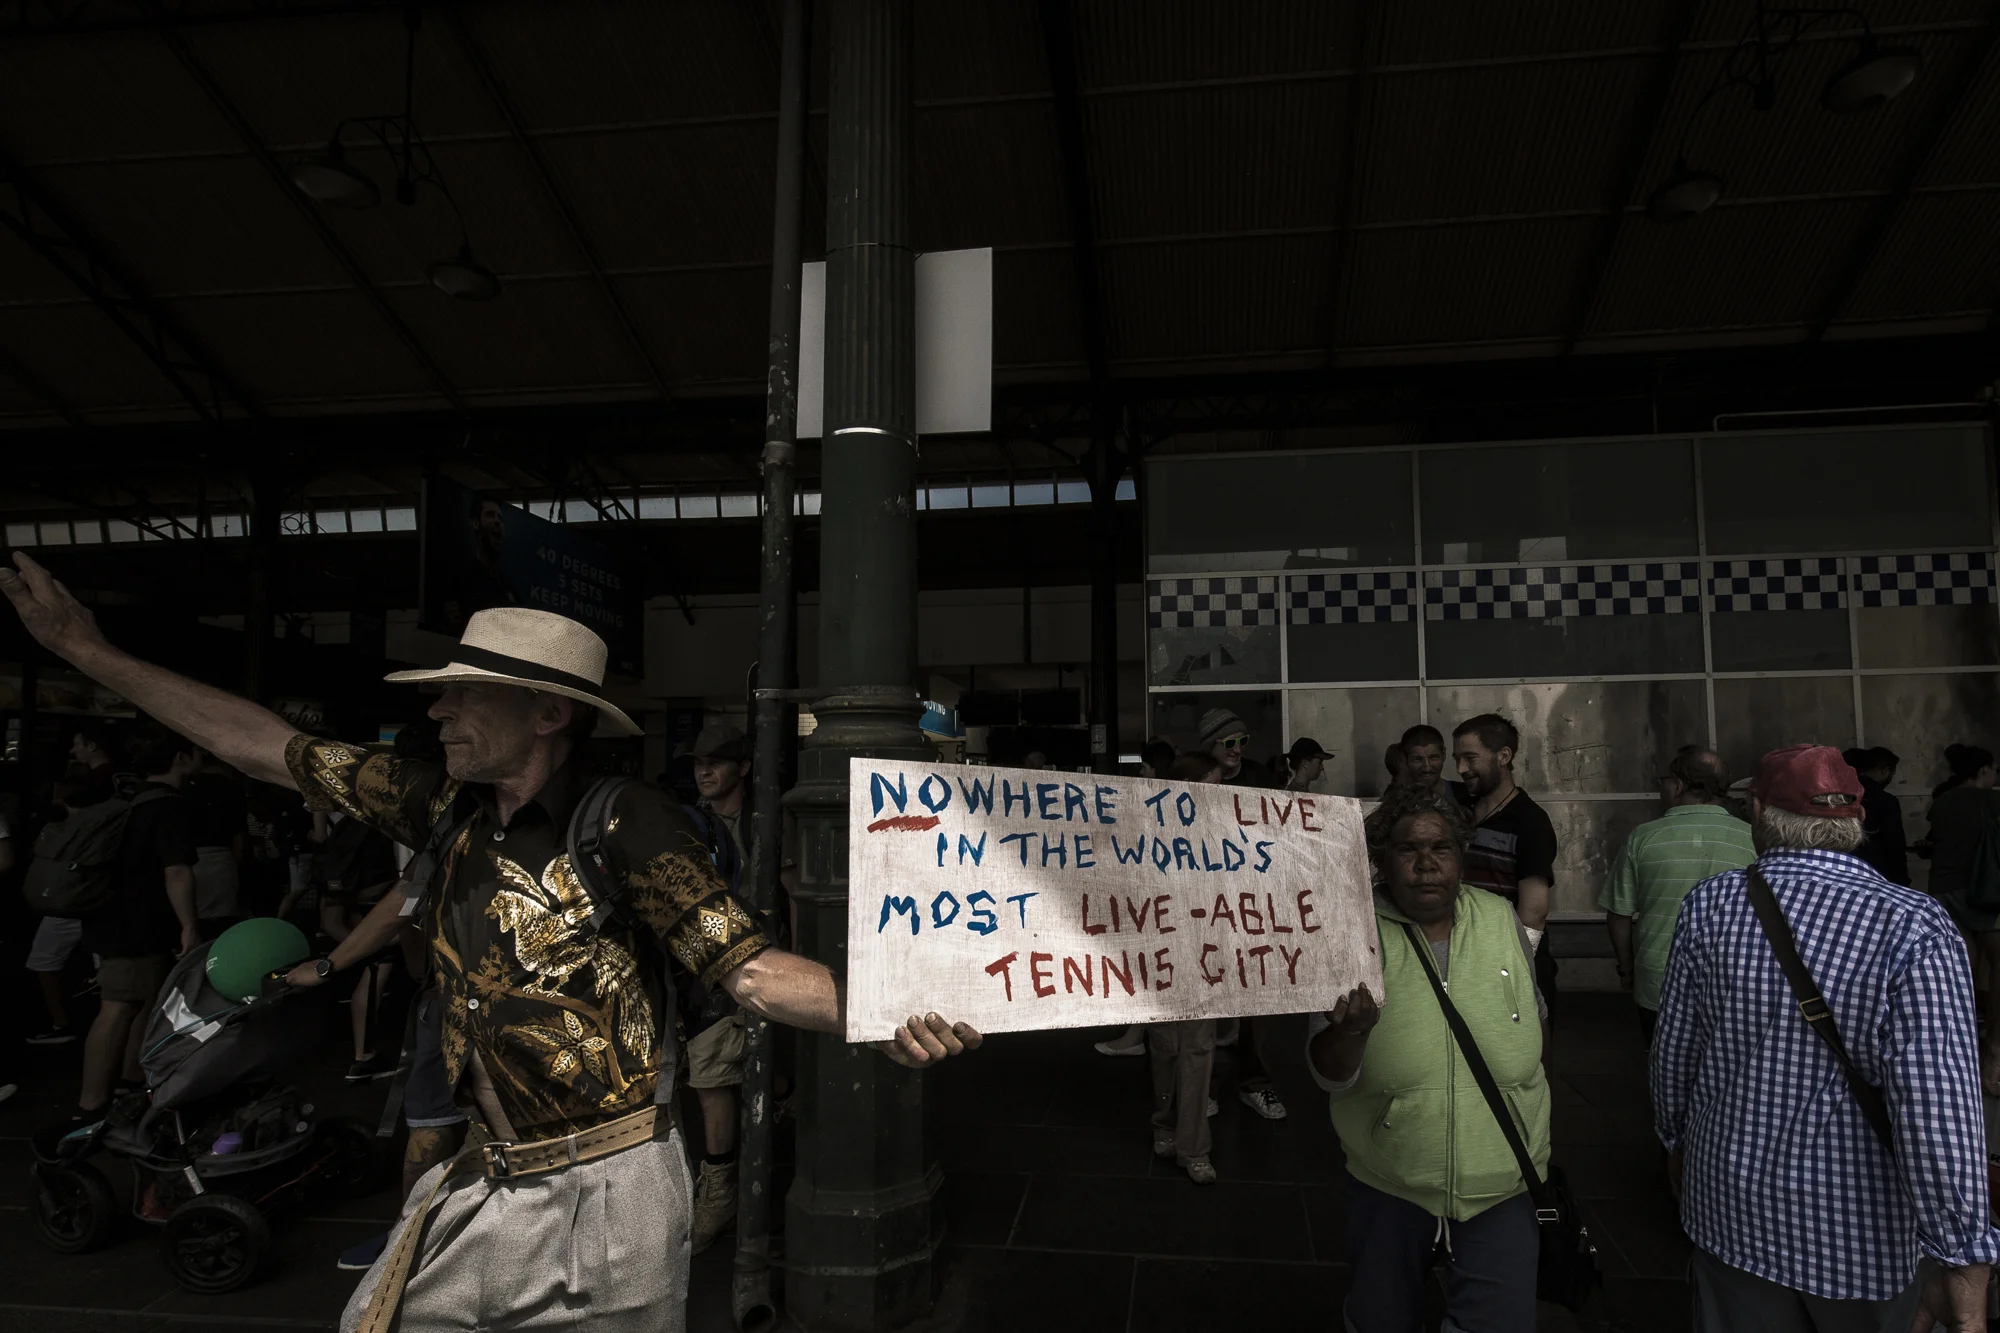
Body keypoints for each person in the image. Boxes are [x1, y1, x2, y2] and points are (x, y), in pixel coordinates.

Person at [0, 554, 978, 1333]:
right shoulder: (443, 806)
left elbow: (748, 966)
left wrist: (878, 1009)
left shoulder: (624, 820)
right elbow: (264, 746)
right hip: (487, 1171)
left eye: (464, 695)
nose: (437, 712)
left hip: (613, 1191)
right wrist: (88, 652)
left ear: (548, 713)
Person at [1653, 744, 1995, 1331]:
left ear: (1757, 812)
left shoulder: (1708, 905)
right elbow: (1936, 1109)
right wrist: (1960, 1251)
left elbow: (1674, 1060)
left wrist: (1678, 1145)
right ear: (1858, 817)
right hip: (1863, 1244)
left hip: (1730, 1213)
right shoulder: (1913, 924)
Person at [1308, 783, 1550, 1333]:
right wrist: (1351, 1035)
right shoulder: (1350, 931)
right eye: (1406, 850)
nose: (1425, 865)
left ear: (1461, 855)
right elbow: (1326, 1072)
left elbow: (1536, 1026)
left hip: (1504, 1177)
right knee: (1381, 1317)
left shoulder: (1498, 918)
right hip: (1390, 1178)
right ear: (1380, 860)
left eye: (1441, 848)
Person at [76, 721, 199, 1123]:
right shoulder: (167, 805)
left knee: (138, 1002)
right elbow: (176, 871)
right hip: (137, 922)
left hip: (111, 915)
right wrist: (189, 925)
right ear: (181, 757)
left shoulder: (128, 797)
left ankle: (130, 1086)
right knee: (117, 1007)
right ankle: (91, 1105)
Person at [1598, 746, 1754, 1044]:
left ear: (1678, 786)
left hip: (1658, 981)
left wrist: (1626, 969)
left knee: (1662, 1070)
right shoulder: (1750, 837)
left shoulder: (1643, 837)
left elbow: (1619, 915)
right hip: (1733, 982)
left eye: (1664, 781)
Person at [686, 720, 751, 1254]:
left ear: (743, 768)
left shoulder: (764, 821)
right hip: (705, 968)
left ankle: (723, 1187)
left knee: (719, 1078)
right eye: (698, 763)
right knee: (709, 1074)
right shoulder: (691, 825)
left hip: (756, 961)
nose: (705, 771)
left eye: (717, 761)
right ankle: (718, 1185)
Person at [1452, 714, 1557, 996]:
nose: (1461, 768)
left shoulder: (1530, 821)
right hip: (1465, 964)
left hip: (1509, 972)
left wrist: (1511, 972)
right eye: (1457, 759)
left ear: (1504, 755)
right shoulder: (1460, 812)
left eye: (1471, 758)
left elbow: (1534, 914)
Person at [1920, 742, 2000, 1094]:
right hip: (1985, 894)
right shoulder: (1993, 801)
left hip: (1944, 891)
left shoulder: (1942, 803)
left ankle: (1957, 1054)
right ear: (1984, 770)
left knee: (1959, 977)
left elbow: (1935, 842)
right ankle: (1994, 1054)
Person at [26, 765, 89, 1046]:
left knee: (43, 959)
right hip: (84, 902)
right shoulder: (103, 821)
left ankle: (61, 1021)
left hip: (69, 902)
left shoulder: (64, 827)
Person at [184, 750, 248, 938]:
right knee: (220, 926)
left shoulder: (181, 786)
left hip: (182, 860)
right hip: (219, 860)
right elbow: (239, 836)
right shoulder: (230, 788)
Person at [1844, 746, 1909, 887]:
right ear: (1885, 771)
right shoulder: (1885, 800)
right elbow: (1894, 845)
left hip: (1847, 873)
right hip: (1880, 875)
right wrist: (1902, 881)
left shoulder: (1841, 797)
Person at [1197, 708, 1258, 786]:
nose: (1238, 750)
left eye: (1243, 741)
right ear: (1211, 746)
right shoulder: (1196, 776)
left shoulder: (1259, 775)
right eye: (1230, 743)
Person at [1399, 724, 1448, 794]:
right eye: (1417, 759)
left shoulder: (1466, 796)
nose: (1427, 768)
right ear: (1405, 759)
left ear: (1444, 755)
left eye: (1433, 758)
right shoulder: (1395, 802)